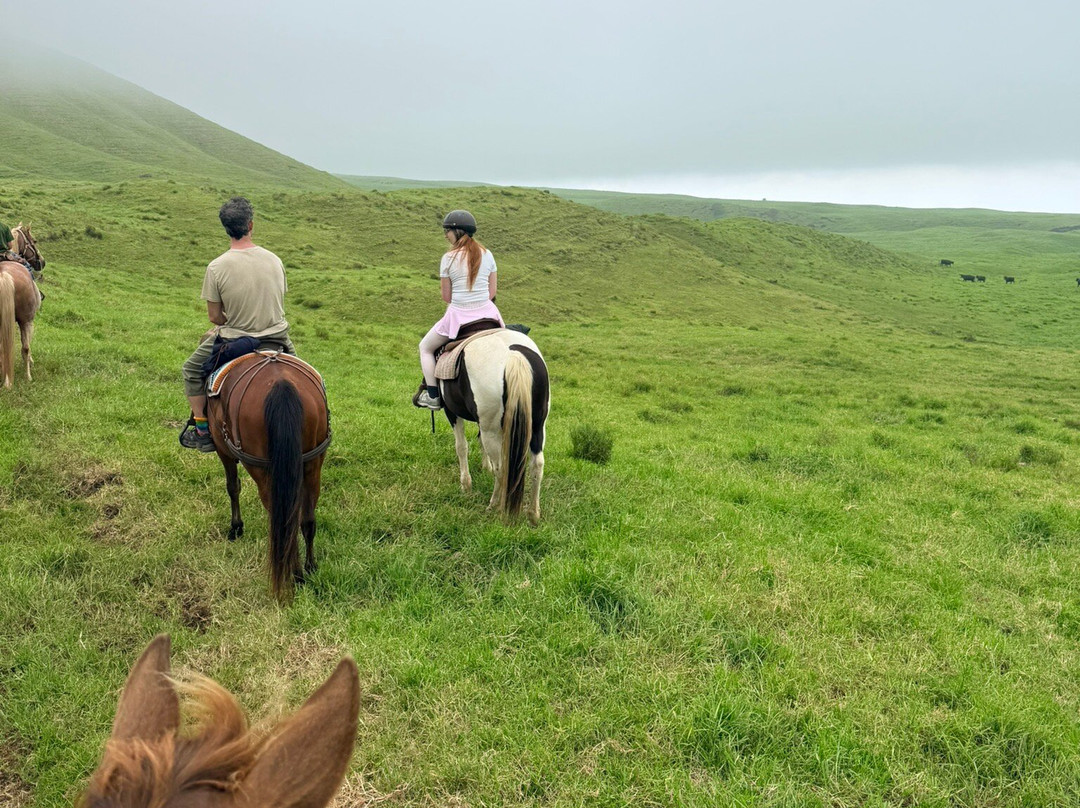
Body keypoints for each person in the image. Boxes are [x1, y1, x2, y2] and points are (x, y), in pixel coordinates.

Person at [179, 197, 294, 451]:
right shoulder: (274, 259)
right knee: (309, 376)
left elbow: (214, 317)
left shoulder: (216, 267)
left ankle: (201, 429)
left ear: (226, 228)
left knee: (190, 369)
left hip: (236, 340)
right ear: (251, 225)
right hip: (278, 337)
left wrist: (227, 319)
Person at [415, 210, 504, 410]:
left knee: (425, 348)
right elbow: (492, 292)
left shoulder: (448, 258)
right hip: (488, 314)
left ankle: (433, 396)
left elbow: (446, 297)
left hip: (459, 316)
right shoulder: (487, 254)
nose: (445, 235)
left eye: (447, 230)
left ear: (458, 231)